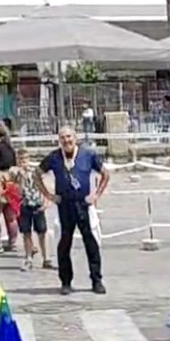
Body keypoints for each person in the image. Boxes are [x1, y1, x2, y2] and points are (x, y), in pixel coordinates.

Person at [38, 124, 109, 295]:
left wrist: (96, 195)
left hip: (84, 205)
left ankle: (96, 280)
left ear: (75, 138)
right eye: (62, 138)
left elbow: (105, 174)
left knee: (91, 243)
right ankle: (66, 281)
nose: (66, 140)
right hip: (64, 206)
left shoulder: (88, 155)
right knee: (64, 245)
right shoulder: (54, 157)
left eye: (69, 137)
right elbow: (36, 173)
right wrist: (48, 195)